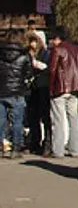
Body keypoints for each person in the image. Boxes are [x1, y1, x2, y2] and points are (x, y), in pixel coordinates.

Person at [47, 27, 78, 159]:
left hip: (60, 87)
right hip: (76, 87)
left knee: (58, 119)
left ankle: (58, 150)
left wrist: (51, 89)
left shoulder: (57, 50)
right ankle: (75, 148)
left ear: (58, 38)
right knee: (74, 118)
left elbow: (52, 71)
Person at [0, 28, 34, 158]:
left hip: (1, 90)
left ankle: (2, 146)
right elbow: (29, 73)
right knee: (17, 122)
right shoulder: (25, 56)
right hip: (17, 91)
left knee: (1, 121)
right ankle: (16, 148)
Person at [25, 32, 51, 157]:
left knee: (45, 117)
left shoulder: (47, 53)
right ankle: (35, 142)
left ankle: (47, 143)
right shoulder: (28, 53)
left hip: (43, 87)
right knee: (33, 116)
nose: (32, 44)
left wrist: (37, 64)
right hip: (32, 88)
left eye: (34, 41)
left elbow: (49, 68)